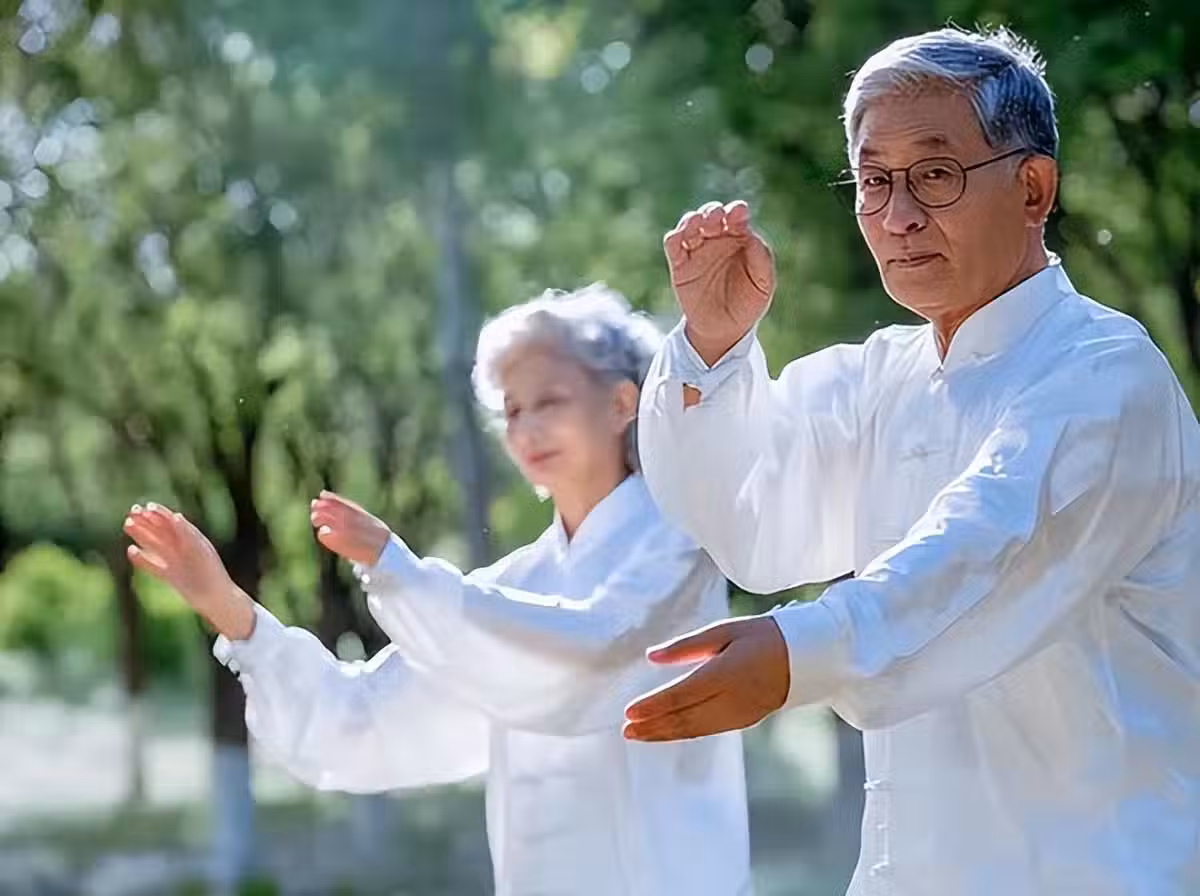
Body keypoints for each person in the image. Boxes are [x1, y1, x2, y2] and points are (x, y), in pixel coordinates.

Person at [624, 25, 1200, 896]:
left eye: (934, 175)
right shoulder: (879, 377)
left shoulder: (1103, 373)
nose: (897, 217)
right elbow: (748, 519)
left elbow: (985, 544)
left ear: (1033, 187)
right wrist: (712, 346)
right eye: (873, 181)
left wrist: (799, 651)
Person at [124, 285, 752, 896]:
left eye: (550, 401)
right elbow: (364, 717)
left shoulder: (677, 541)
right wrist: (228, 607)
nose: (528, 428)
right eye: (513, 411)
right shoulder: (513, 588)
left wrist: (399, 572)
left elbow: (596, 652)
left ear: (620, 403)